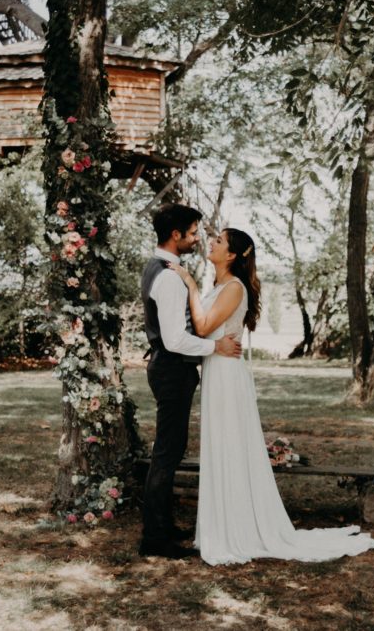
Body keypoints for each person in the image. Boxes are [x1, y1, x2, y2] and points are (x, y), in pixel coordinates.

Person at [169, 228, 374, 566]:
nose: (212, 242)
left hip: (226, 375)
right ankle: (223, 523)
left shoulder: (234, 288)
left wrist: (190, 286)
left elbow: (204, 326)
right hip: (216, 371)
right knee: (221, 446)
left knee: (230, 447)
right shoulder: (221, 286)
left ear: (233, 255)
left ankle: (237, 529)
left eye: (219, 241)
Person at [139, 204, 242, 560]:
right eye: (194, 232)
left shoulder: (165, 269)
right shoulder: (167, 276)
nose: (198, 238)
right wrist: (216, 346)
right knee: (167, 454)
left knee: (170, 450)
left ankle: (163, 526)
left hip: (171, 369)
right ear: (176, 234)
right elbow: (174, 339)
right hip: (171, 368)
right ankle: (155, 538)